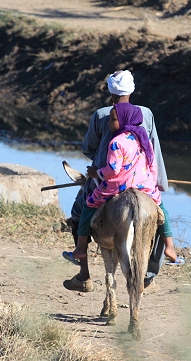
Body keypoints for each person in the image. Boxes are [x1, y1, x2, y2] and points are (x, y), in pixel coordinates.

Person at [63, 70, 183, 293]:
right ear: (132, 90)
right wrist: (157, 181)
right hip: (143, 180)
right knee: (158, 214)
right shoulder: (145, 114)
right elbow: (154, 150)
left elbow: (88, 149)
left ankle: (83, 272)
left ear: (111, 94)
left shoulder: (102, 115)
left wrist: (97, 170)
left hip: (108, 179)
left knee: (80, 211)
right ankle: (150, 272)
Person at [63, 102, 163, 262]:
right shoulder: (144, 140)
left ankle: (81, 248)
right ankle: (168, 246)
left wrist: (96, 173)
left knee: (88, 204)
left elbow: (112, 170)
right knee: (160, 211)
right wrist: (151, 183)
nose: (109, 123)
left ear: (124, 120)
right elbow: (153, 166)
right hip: (145, 186)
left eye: (112, 119)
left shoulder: (116, 142)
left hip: (118, 185)